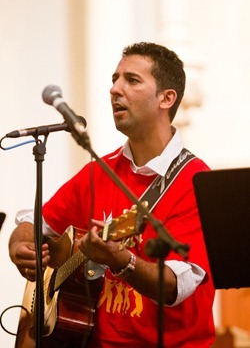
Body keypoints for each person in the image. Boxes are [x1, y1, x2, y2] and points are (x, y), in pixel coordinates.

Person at [9, 42, 215, 347]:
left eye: (132, 80)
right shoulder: (98, 172)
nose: (115, 89)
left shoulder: (197, 182)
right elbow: (33, 223)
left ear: (166, 98)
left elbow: (177, 286)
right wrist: (21, 246)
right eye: (114, 80)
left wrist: (124, 262)